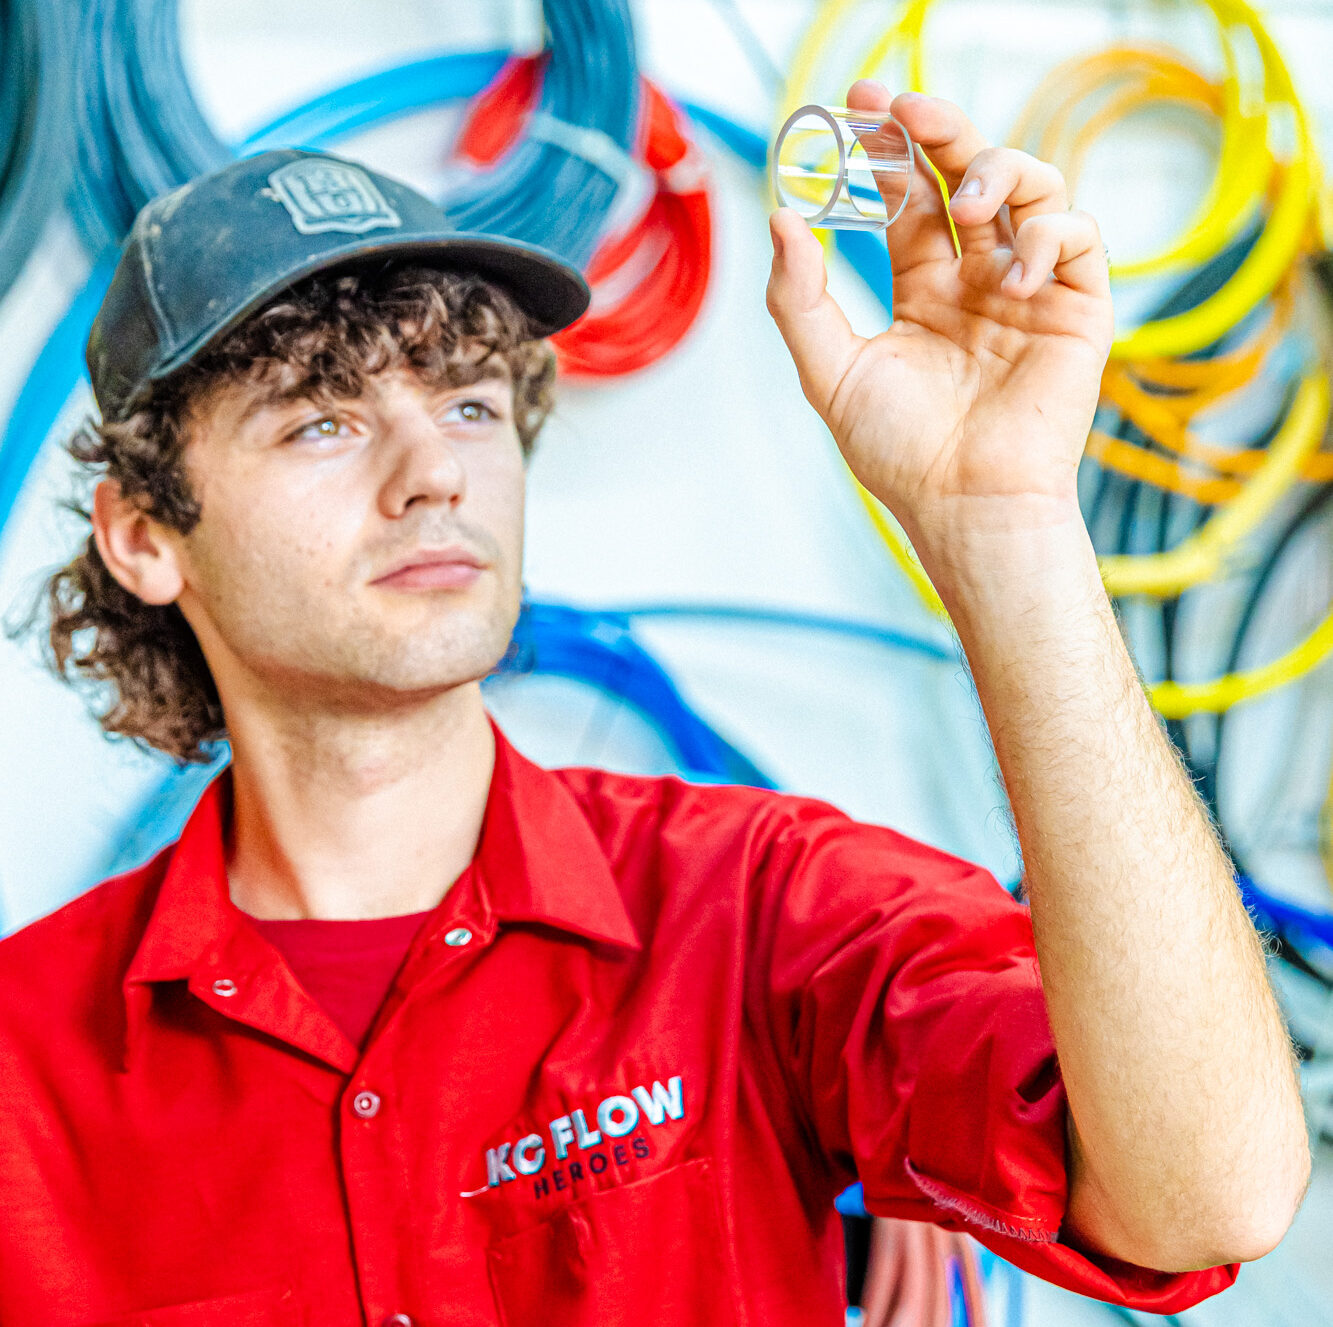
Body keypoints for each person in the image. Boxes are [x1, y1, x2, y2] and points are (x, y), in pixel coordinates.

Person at [0, 82, 1308, 1326]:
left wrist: (1006, 525)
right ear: (143, 537)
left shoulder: (757, 909)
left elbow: (1203, 1196)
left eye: (466, 402)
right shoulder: (23, 1070)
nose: (433, 474)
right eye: (318, 425)